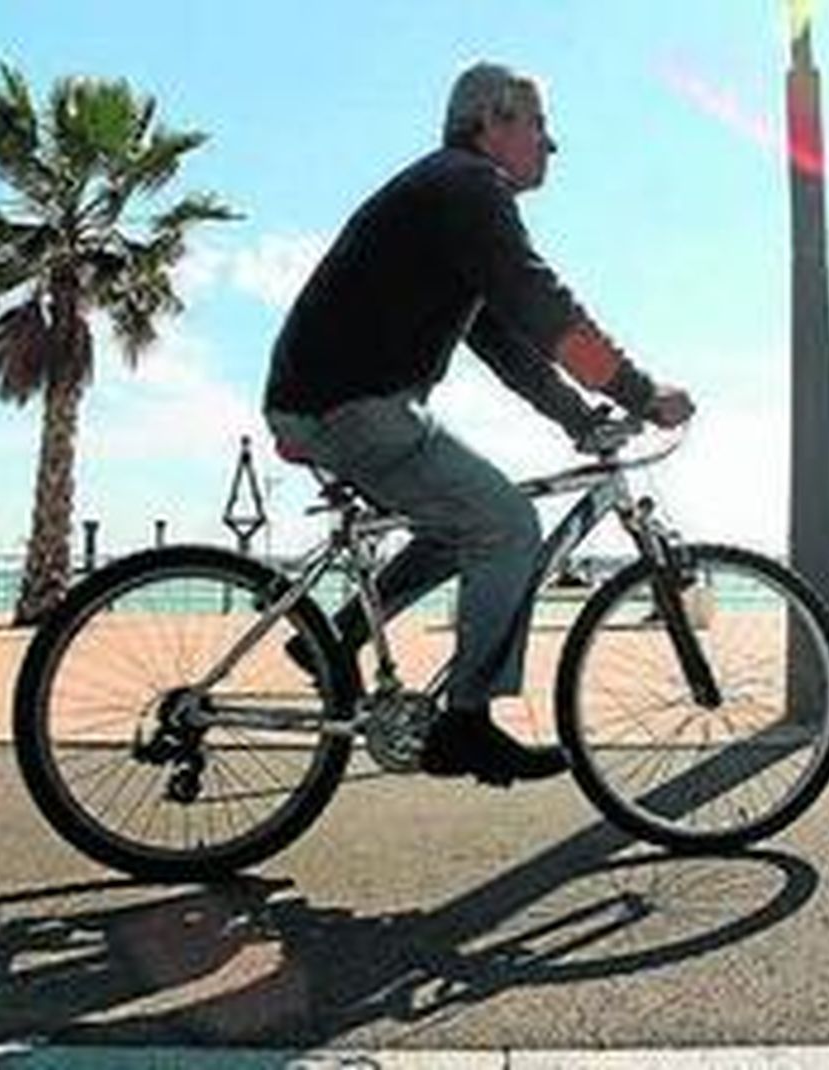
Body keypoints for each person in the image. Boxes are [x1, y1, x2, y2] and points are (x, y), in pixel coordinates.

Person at [264, 62, 694, 786]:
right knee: (507, 526)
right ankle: (466, 724)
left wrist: (579, 417)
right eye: (538, 126)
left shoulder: (449, 195)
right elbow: (541, 304)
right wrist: (640, 391)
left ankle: (332, 644)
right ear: (492, 123)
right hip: (350, 405)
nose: (550, 146)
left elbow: (502, 337)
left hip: (332, 398)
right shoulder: (469, 187)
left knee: (456, 526)